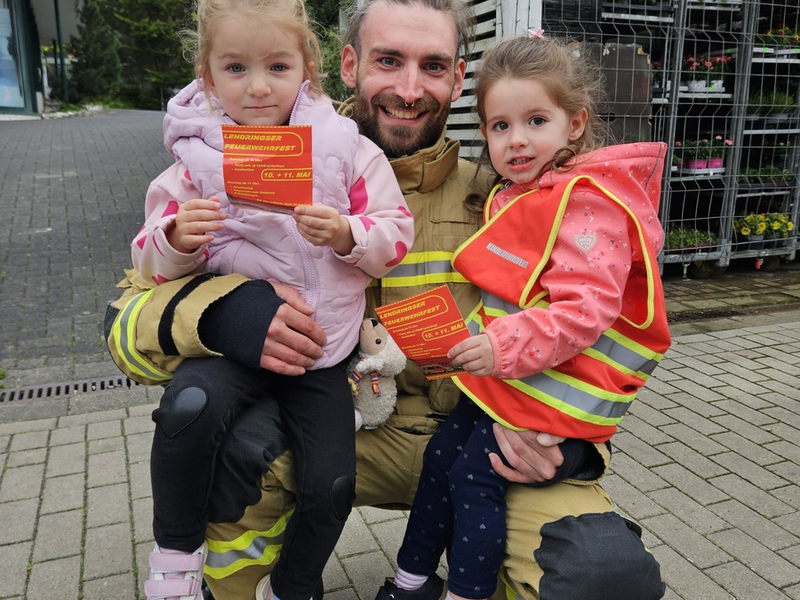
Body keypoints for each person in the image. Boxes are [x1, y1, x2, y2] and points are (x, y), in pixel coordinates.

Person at [105, 1, 669, 599]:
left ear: (458, 78)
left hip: (483, 439)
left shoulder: (517, 197)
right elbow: (123, 326)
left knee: (605, 577)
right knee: (229, 445)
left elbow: (599, 330)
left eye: (432, 66)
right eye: (388, 60)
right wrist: (220, 313)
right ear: (348, 65)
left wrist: (576, 451)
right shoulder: (244, 162)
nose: (408, 88)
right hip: (343, 433)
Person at [130, 1, 413, 599]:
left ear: (306, 70)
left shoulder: (345, 149)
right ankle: (176, 555)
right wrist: (177, 239)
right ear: (207, 77)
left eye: (278, 66)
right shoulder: (192, 162)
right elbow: (146, 263)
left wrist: (346, 234)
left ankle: (295, 584)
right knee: (189, 407)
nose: (258, 87)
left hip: (323, 350)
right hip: (237, 351)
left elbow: (395, 236)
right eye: (235, 68)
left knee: (333, 483)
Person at [374, 32, 671, 600]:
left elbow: (585, 309)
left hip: (544, 390)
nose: (516, 141)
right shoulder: (523, 193)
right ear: (483, 130)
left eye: (536, 120)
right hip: (504, 383)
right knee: (444, 458)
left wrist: (500, 346)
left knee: (471, 476)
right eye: (500, 126)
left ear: (576, 123)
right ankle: (411, 582)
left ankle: (466, 591)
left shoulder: (585, 202)